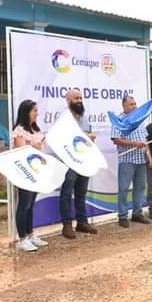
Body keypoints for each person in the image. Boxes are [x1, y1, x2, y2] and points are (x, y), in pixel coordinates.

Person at [56, 90, 98, 239]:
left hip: (84, 161)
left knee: (81, 192)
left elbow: (87, 139)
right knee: (66, 193)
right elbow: (62, 139)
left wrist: (90, 139)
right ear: (68, 101)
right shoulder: (63, 119)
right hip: (69, 162)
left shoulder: (85, 118)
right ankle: (66, 225)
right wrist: (85, 137)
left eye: (80, 97)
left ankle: (82, 222)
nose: (79, 100)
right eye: (76, 98)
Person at [12, 99, 49, 252]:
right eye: (34, 111)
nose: (37, 113)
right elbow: (23, 151)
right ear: (26, 112)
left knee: (31, 204)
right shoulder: (19, 131)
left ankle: (30, 234)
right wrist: (34, 146)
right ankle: (22, 239)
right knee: (24, 205)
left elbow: (40, 150)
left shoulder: (36, 130)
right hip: (24, 173)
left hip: (36, 172)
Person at [111, 95, 151, 228]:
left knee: (140, 188)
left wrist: (149, 157)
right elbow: (116, 140)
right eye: (131, 104)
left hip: (141, 159)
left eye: (135, 104)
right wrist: (134, 144)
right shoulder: (119, 120)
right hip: (127, 160)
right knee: (123, 188)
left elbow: (145, 141)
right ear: (124, 106)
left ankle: (137, 214)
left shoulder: (140, 120)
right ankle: (122, 215)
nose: (134, 107)